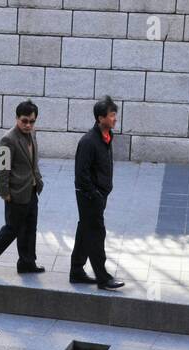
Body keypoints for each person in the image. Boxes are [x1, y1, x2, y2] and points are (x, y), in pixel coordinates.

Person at [0, 100, 45, 277]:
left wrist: (37, 180)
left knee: (30, 228)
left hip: (31, 190)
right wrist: (5, 193)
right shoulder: (8, 139)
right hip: (15, 194)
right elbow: (2, 169)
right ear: (16, 118)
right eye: (24, 121)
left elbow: (32, 161)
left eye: (31, 121)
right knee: (12, 229)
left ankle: (27, 262)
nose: (28, 125)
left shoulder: (32, 134)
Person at [70, 95, 123, 290]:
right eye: (111, 115)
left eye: (115, 115)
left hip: (99, 195)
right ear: (100, 118)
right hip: (89, 196)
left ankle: (76, 271)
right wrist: (95, 194)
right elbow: (81, 174)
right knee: (96, 233)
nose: (115, 119)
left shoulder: (107, 137)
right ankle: (103, 278)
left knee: (85, 229)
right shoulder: (89, 141)